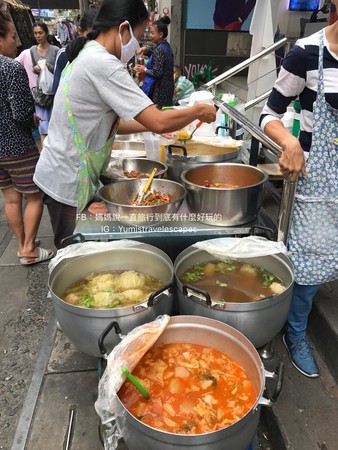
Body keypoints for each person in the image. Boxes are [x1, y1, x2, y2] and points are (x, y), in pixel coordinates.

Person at [33, 0, 216, 249]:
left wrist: (153, 125)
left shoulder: (87, 54)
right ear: (124, 28)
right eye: (139, 36)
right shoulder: (103, 64)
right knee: (74, 254)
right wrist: (197, 110)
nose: (138, 45)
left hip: (63, 172)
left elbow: (112, 124)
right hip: (66, 179)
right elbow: (159, 120)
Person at [260, 2, 338, 378]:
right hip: (315, 181)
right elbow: (269, 114)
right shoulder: (307, 53)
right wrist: (288, 142)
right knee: (309, 266)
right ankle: (296, 334)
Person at [0, 12, 54, 265]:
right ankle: (28, 249)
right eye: (12, 37)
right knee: (34, 196)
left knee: (11, 197)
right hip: (17, 146)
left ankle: (23, 243)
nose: (17, 43)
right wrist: (32, 118)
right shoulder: (11, 68)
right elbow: (21, 113)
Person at [133, 16, 174, 108]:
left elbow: (158, 73)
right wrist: (147, 51)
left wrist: (144, 69)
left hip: (159, 92)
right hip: (166, 90)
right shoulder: (165, 46)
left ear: (160, 34)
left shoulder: (160, 49)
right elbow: (159, 59)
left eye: (152, 33)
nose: (150, 36)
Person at [52, 10, 96, 94]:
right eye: (91, 36)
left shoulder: (103, 55)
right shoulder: (64, 54)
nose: (96, 42)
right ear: (80, 31)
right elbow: (56, 88)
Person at [30, 22, 59, 144]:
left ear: (46, 33)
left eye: (40, 33)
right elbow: (33, 68)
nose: (38, 36)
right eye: (36, 33)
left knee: (54, 125)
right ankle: (44, 156)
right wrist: (35, 69)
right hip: (41, 92)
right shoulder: (32, 50)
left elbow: (59, 71)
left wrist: (49, 66)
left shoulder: (55, 50)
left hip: (53, 92)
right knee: (43, 126)